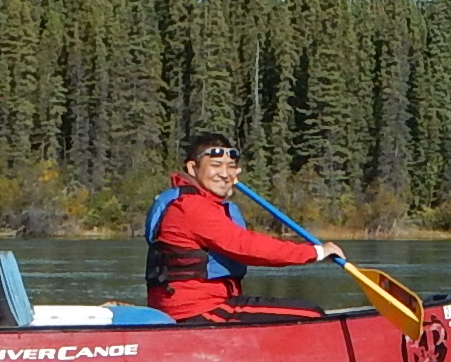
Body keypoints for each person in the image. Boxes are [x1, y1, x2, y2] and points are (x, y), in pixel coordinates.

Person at [143, 135, 345, 322]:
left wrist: (222, 192)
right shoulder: (192, 207)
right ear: (192, 168)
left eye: (230, 167)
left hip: (195, 307)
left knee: (302, 311)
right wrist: (315, 252)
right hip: (199, 311)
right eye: (215, 166)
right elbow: (246, 246)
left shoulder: (197, 202)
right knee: (310, 313)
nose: (224, 174)